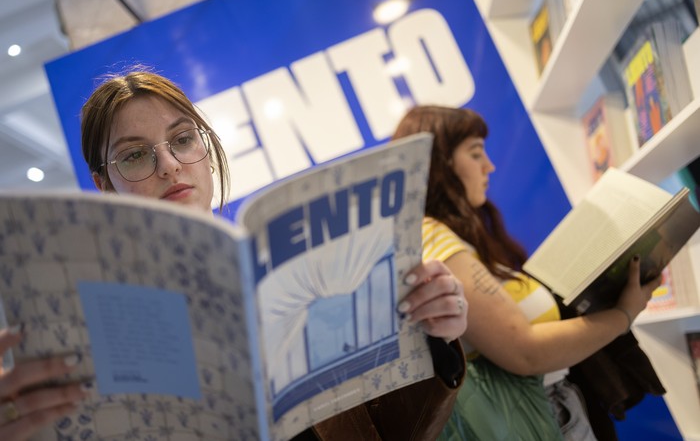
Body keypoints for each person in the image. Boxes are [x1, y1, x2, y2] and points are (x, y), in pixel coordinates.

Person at [0, 68, 468, 441]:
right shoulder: (93, 331)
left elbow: (392, 429)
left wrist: (433, 335)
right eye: (135, 156)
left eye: (182, 139)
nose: (170, 165)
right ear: (105, 185)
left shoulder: (298, 273)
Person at [391, 105, 663, 441]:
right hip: (536, 417)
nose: (488, 166)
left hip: (549, 409)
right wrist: (624, 313)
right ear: (439, 163)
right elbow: (525, 351)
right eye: (476, 153)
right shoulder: (430, 235)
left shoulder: (455, 237)